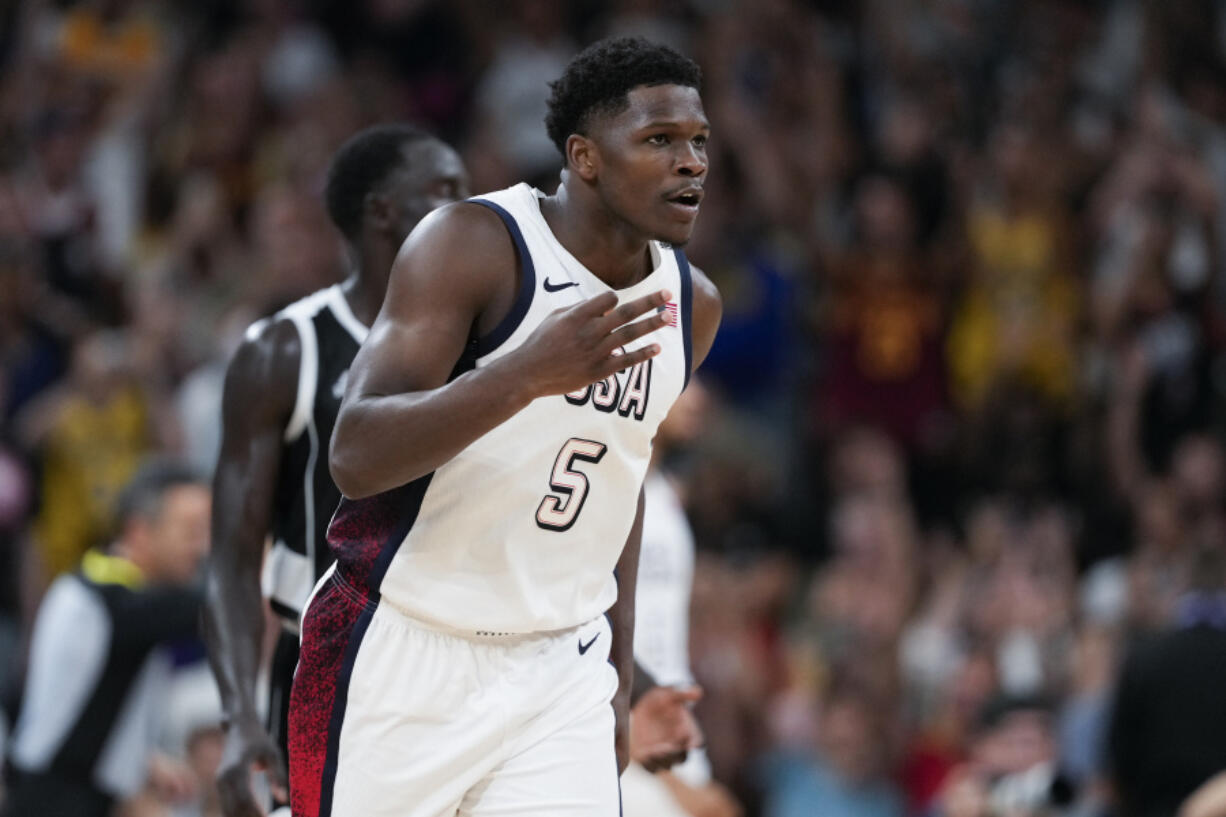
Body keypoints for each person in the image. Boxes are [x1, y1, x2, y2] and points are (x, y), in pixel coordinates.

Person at [288, 36, 722, 817]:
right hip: (404, 645)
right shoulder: (474, 245)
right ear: (585, 158)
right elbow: (354, 453)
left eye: (698, 143)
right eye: (659, 141)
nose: (690, 162)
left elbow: (617, 487)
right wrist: (522, 375)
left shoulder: (694, 305)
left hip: (559, 669)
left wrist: (619, 677)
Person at [201, 124, 470, 817]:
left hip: (464, 661)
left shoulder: (493, 344)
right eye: (446, 192)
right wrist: (239, 720)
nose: (471, 209)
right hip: (330, 662)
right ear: (383, 210)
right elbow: (232, 559)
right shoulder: (284, 350)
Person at [3, 460, 210, 817]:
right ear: (139, 531)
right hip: (53, 802)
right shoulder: (110, 600)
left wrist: (140, 762)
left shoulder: (98, 586)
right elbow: (213, 611)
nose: (202, 548)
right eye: (191, 531)